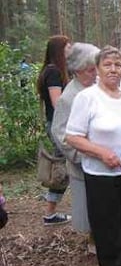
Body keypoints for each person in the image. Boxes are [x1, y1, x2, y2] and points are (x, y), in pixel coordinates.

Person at [66, 46, 121, 266]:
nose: (114, 69)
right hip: (101, 174)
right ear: (98, 69)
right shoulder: (88, 97)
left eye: (118, 65)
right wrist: (102, 153)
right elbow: (72, 137)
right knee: (107, 222)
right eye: (108, 65)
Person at [51, 42, 100, 253]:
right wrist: (84, 154)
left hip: (103, 161)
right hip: (85, 164)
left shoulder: (96, 88)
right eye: (91, 70)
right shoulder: (69, 97)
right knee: (90, 207)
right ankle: (94, 241)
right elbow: (60, 134)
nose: (96, 73)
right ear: (78, 70)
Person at [36, 35, 72, 226]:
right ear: (59, 50)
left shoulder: (55, 71)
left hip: (59, 124)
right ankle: (50, 213)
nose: (71, 49)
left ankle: (51, 212)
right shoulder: (53, 72)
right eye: (68, 47)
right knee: (61, 169)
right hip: (59, 126)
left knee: (64, 167)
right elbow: (57, 103)